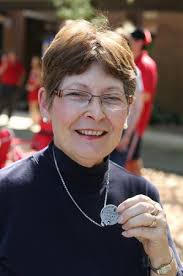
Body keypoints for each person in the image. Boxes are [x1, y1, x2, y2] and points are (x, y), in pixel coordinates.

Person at [0, 20, 182, 276]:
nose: (96, 113)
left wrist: (163, 260)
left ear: (128, 110)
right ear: (45, 103)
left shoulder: (140, 196)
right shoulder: (6, 194)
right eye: (76, 94)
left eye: (111, 98)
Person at [125, 28, 158, 175]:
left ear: (138, 42)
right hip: (130, 119)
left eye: (130, 40)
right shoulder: (133, 60)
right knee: (131, 160)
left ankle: (142, 189)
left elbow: (146, 96)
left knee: (128, 160)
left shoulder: (146, 65)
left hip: (137, 121)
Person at [0, 51, 25, 119]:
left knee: (12, 101)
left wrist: (20, 82)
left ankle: (9, 115)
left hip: (14, 86)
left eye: (13, 56)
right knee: (2, 100)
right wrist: (5, 66)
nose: (12, 57)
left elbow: (22, 73)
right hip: (4, 85)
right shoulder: (5, 63)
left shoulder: (18, 64)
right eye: (10, 56)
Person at [26, 56, 41, 125]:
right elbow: (31, 79)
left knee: (34, 107)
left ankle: (37, 122)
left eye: (34, 62)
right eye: (32, 61)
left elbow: (39, 81)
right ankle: (33, 121)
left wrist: (32, 87)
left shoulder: (39, 70)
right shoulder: (32, 70)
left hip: (35, 90)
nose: (33, 63)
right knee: (31, 106)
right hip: (31, 91)